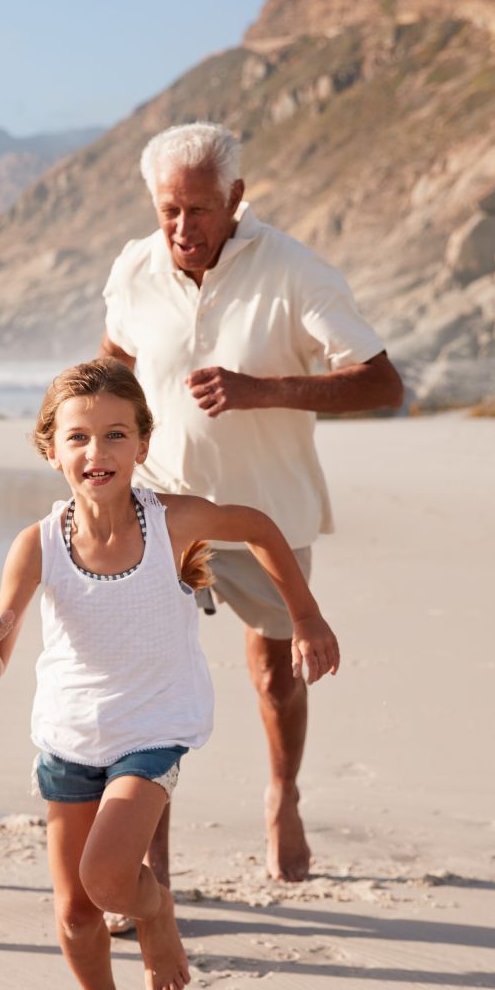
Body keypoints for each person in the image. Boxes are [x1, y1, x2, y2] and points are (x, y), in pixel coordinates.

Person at [0, 360, 338, 990]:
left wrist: (304, 615)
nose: (95, 454)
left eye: (114, 436)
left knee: (107, 880)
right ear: (51, 449)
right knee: (73, 913)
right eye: (78, 439)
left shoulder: (173, 522)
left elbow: (256, 527)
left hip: (153, 729)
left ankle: (157, 911)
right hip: (70, 737)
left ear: (142, 446)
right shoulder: (37, 544)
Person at [99, 121, 403, 884]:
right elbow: (116, 361)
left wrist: (260, 390)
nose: (182, 228)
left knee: (274, 677)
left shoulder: (297, 271)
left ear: (236, 198)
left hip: (269, 516)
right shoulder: (136, 267)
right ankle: (151, 862)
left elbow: (381, 382)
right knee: (153, 682)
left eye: (199, 209)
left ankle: (283, 794)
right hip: (161, 511)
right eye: (168, 209)